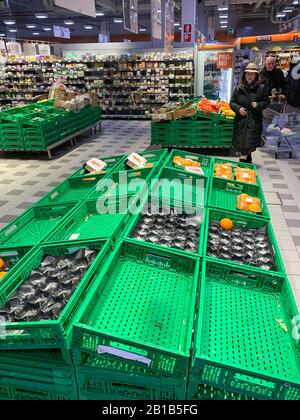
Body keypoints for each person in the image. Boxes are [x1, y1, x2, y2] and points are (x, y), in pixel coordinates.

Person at [230, 63, 269, 163]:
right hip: (241, 120)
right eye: (248, 74)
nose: (250, 76)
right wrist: (238, 109)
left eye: (252, 74)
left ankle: (242, 163)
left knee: (247, 144)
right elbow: (232, 102)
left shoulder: (261, 88)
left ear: (256, 75)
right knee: (243, 143)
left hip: (253, 120)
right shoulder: (239, 88)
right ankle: (247, 162)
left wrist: (257, 105)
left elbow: (266, 102)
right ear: (245, 75)